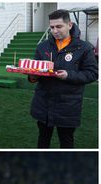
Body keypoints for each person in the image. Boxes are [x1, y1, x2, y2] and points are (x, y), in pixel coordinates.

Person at [29, 9, 98, 148]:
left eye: (59, 26)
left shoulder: (84, 48)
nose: (54, 31)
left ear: (70, 25)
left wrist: (69, 75)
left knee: (66, 141)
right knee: (43, 139)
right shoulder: (42, 47)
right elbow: (35, 70)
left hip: (68, 105)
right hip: (43, 103)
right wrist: (32, 76)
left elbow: (92, 73)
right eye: (52, 27)